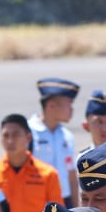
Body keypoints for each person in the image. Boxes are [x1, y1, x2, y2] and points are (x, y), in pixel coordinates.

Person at [28, 77, 81, 205]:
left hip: (64, 201)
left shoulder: (66, 136)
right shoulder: (28, 132)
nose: (72, 109)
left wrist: (75, 208)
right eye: (69, 104)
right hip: (37, 201)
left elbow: (71, 176)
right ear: (51, 105)